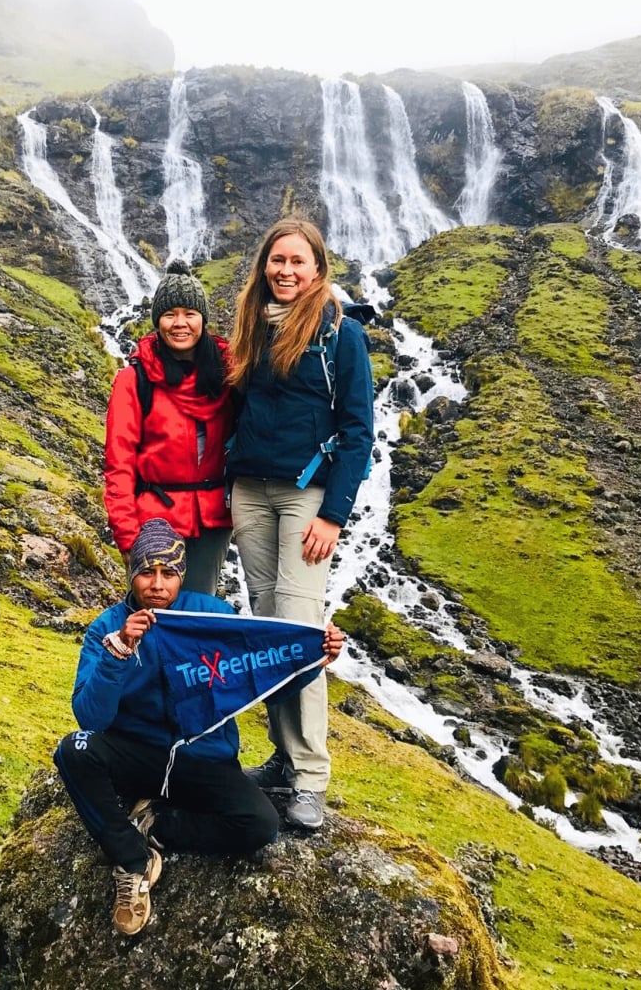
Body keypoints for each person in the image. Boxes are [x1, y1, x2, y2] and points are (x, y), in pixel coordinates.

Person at [54, 518, 345, 935]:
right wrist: (118, 652)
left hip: (205, 761)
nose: (157, 584)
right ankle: (132, 859)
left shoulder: (211, 616)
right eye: (147, 572)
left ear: (182, 575)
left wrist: (312, 662)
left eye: (168, 574)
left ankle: (154, 825)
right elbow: (91, 717)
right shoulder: (106, 627)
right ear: (131, 574)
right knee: (75, 749)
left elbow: (263, 684)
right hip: (138, 757)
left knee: (260, 825)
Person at [225, 217, 376, 829]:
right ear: (264, 264)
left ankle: (311, 775)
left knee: (298, 631)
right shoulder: (251, 328)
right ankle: (285, 760)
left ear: (318, 269)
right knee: (270, 633)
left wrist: (335, 515)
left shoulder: (341, 335)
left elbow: (360, 429)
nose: (285, 271)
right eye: (276, 260)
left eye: (297, 262)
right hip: (251, 494)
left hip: (306, 498)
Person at [104, 262, 236, 596]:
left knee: (197, 612)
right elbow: (118, 464)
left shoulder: (230, 372)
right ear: (157, 320)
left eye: (190, 313)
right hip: (154, 518)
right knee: (151, 614)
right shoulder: (135, 380)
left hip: (212, 520)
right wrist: (127, 534)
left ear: (203, 319)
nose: (180, 323)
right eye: (169, 314)